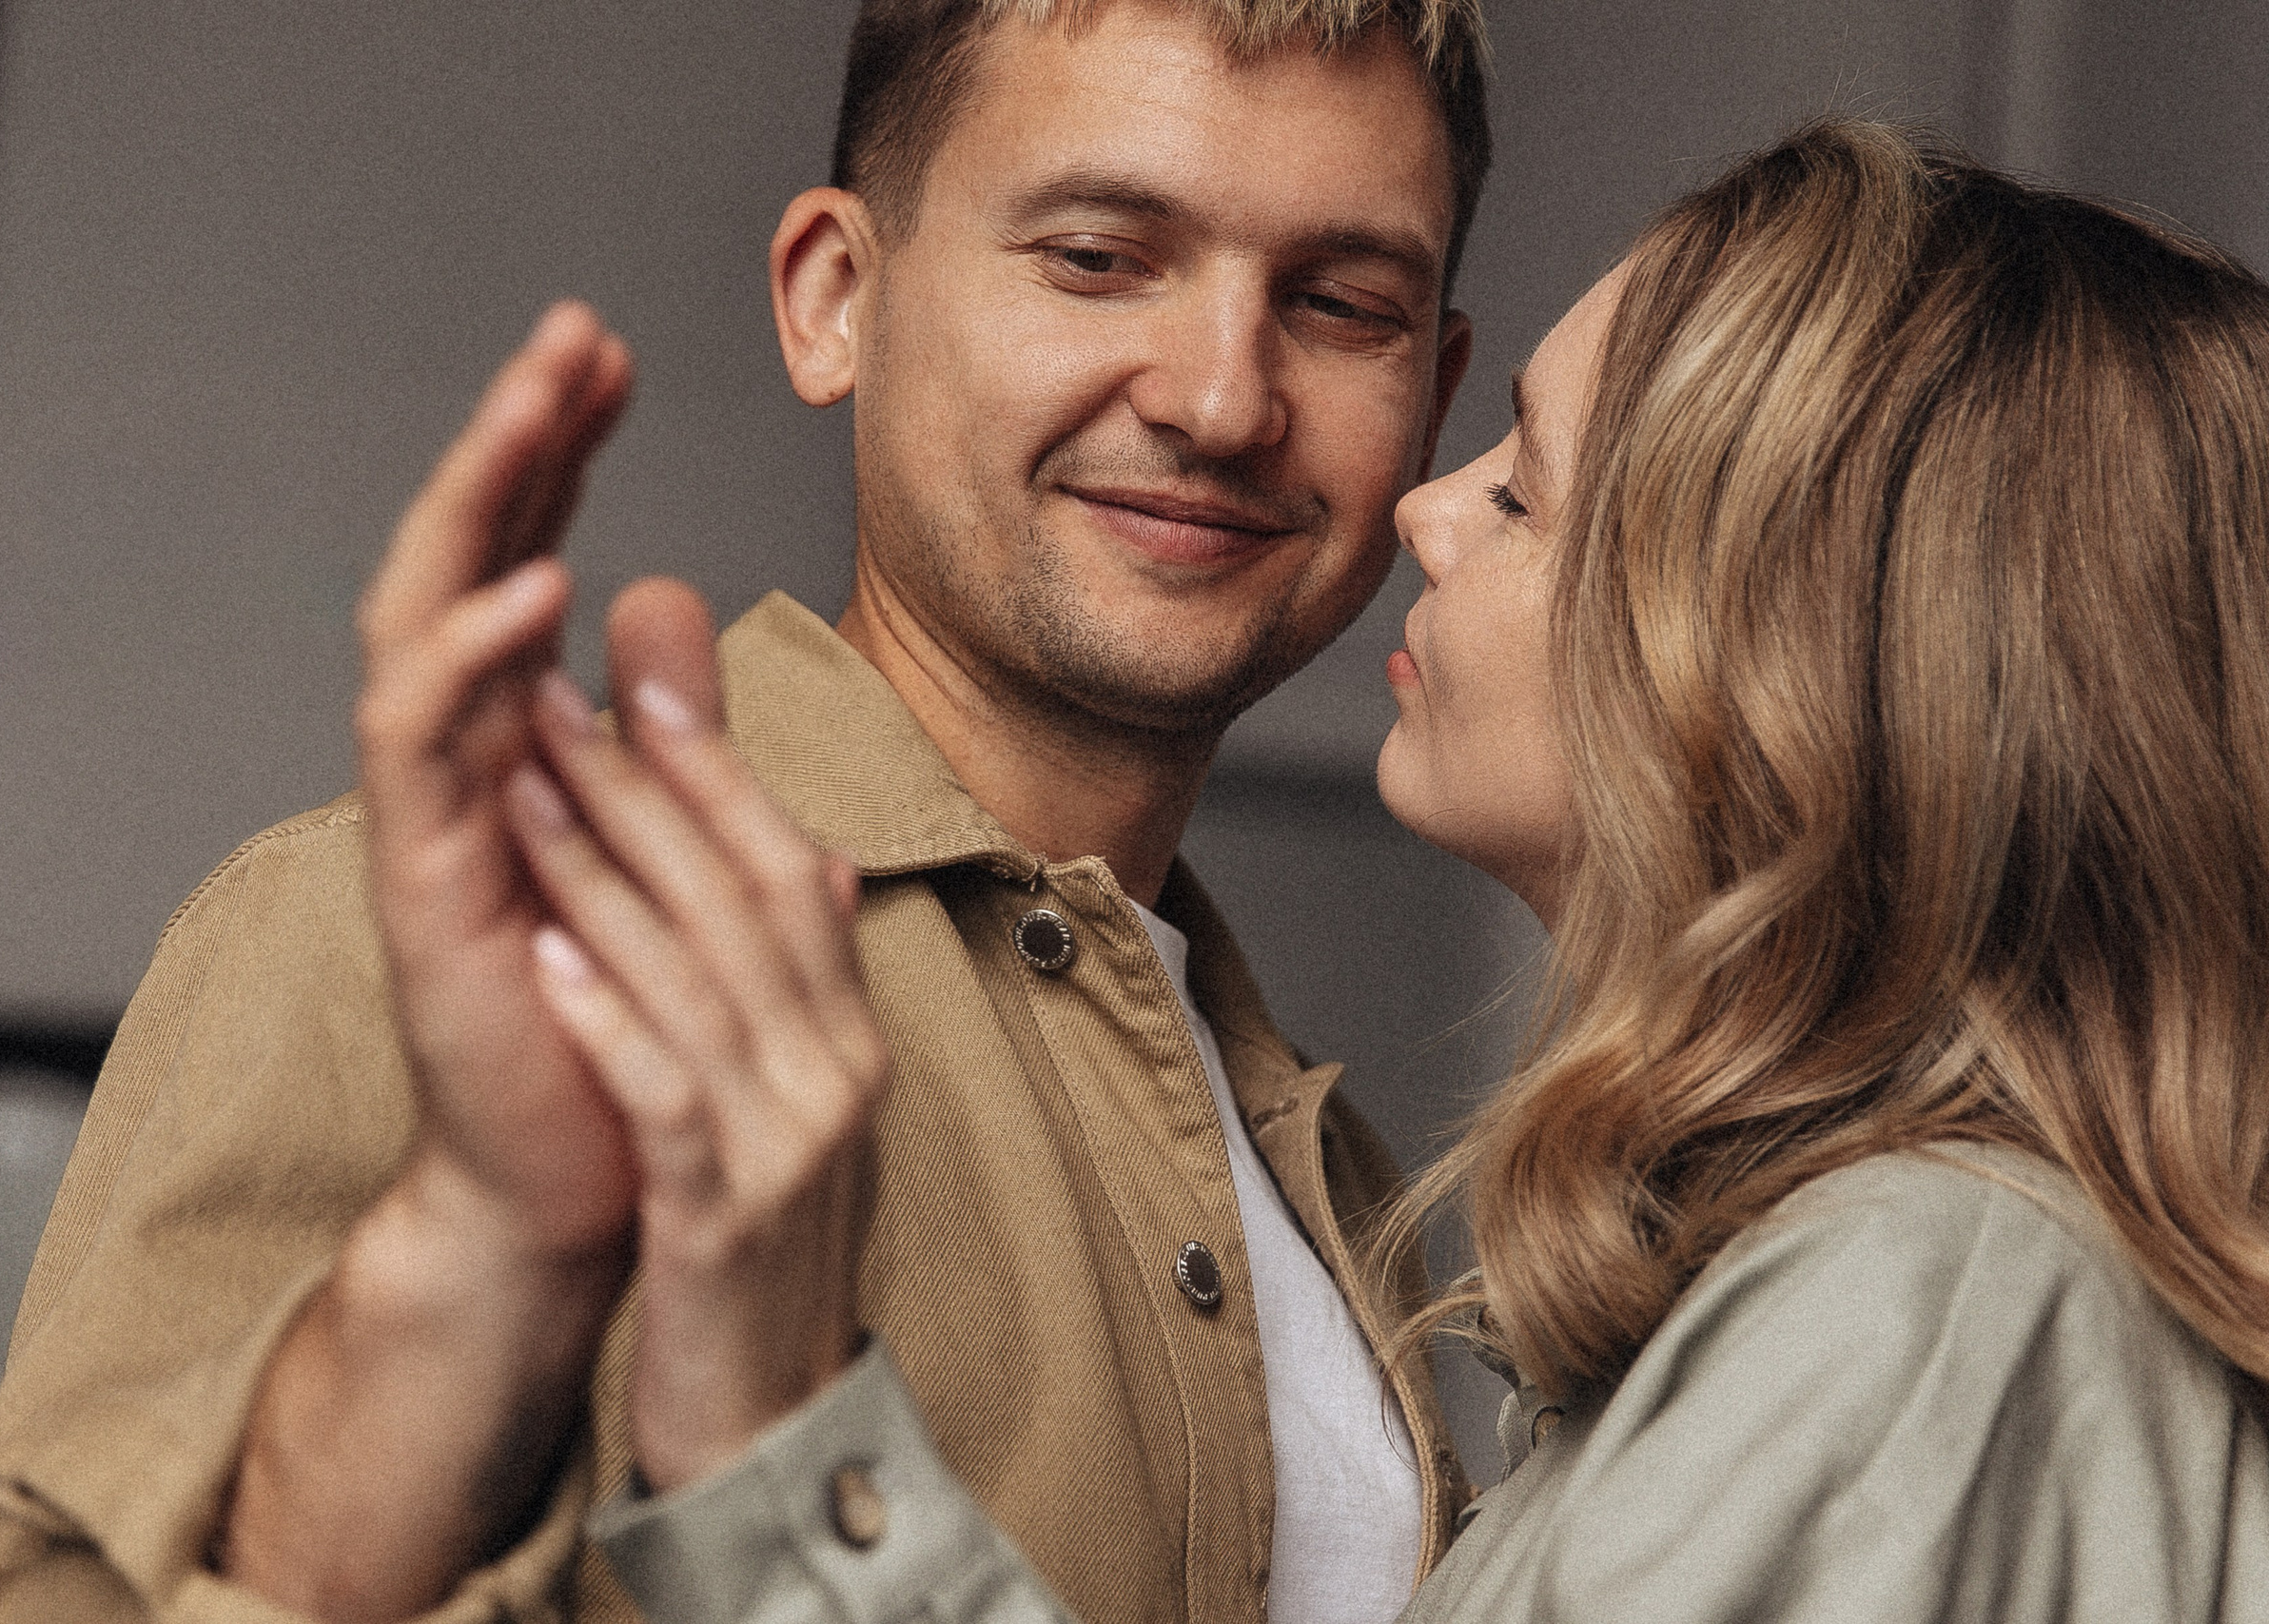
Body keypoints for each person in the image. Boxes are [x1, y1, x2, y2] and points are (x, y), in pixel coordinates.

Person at [0, 3, 1493, 1622]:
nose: (1222, 400)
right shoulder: (458, 943)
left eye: (1343, 305)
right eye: (1096, 257)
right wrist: (484, 1263)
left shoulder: (1338, 1187)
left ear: (1435, 393)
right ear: (835, 300)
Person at [532, 122, 2269, 1622]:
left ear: (1800, 663)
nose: (1428, 508)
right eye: (1094, 256)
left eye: (1528, 491)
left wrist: (776, 1453)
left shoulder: (1928, 1300)